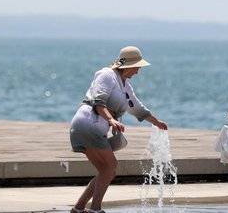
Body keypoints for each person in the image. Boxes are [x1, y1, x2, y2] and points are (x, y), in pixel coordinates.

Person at [69, 46, 168, 213]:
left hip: (92, 126)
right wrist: (111, 120)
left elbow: (137, 108)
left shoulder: (125, 86)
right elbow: (98, 102)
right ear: (128, 65)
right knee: (110, 167)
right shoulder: (106, 75)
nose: (137, 72)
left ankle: (78, 208)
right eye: (137, 68)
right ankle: (95, 209)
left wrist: (157, 122)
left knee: (107, 171)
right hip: (88, 122)